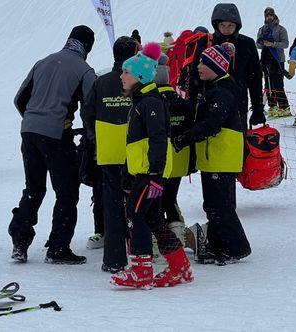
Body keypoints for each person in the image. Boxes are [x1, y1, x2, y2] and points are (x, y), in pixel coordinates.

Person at [9, 25, 96, 264]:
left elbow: (20, 99)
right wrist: (91, 137)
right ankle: (58, 248)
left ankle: (20, 240)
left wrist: (34, 119)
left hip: (29, 133)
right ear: (87, 46)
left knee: (34, 188)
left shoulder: (43, 62)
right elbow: (90, 109)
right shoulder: (85, 70)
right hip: (57, 136)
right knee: (66, 192)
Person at [110, 42, 193, 288]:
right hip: (144, 171)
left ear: (141, 76)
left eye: (127, 72)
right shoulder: (142, 101)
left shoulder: (151, 103)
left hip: (150, 173)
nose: (122, 76)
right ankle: (180, 267)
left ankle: (141, 271)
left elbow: (158, 139)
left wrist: (156, 173)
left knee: (135, 214)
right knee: (154, 219)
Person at [173, 43, 251, 265]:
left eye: (203, 63)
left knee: (219, 206)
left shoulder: (222, 92)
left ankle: (236, 247)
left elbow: (210, 124)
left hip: (221, 157)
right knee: (215, 204)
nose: (198, 67)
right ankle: (218, 245)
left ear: (216, 67)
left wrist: (184, 139)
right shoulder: (215, 88)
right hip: (214, 157)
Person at [81, 36, 138, 273]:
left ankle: (113, 259)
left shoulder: (101, 82)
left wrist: (95, 139)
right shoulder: (136, 81)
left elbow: (87, 113)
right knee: (138, 203)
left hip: (108, 152)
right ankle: (140, 250)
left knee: (112, 205)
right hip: (134, 151)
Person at [188, 3, 265, 129]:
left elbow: (255, 79)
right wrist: (191, 102)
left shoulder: (247, 44)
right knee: (208, 145)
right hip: (209, 104)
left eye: (230, 25)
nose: (226, 29)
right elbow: (195, 74)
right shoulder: (206, 42)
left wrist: (258, 108)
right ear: (216, 25)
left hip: (238, 106)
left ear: (237, 25)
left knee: (236, 145)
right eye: (222, 25)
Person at [153, 53, 195, 255]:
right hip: (180, 158)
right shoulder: (181, 101)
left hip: (160, 160)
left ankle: (158, 239)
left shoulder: (152, 102)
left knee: (156, 200)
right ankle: (177, 234)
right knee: (171, 197)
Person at [257, 7, 291, 118]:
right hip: (265, 59)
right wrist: (262, 43)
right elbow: (258, 45)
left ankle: (284, 107)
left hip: (277, 59)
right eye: (267, 15)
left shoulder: (281, 29)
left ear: (274, 15)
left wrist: (273, 44)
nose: (269, 17)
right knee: (268, 84)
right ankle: (272, 106)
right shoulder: (262, 29)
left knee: (278, 84)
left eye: (271, 15)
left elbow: (285, 44)